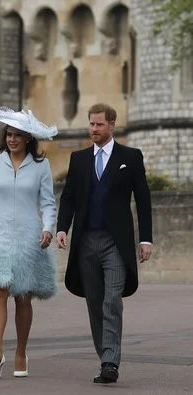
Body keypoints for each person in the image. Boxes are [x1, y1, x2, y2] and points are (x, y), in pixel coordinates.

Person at [56, 103, 153, 384]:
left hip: (115, 243)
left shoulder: (130, 157)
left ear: (112, 124)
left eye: (99, 124)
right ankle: (105, 358)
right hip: (85, 241)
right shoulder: (79, 158)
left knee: (112, 301)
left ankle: (110, 362)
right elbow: (69, 198)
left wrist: (145, 239)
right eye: (91, 124)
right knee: (95, 303)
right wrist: (63, 228)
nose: (94, 129)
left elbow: (143, 200)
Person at [0, 107, 58, 378]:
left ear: (29, 138)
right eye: (9, 134)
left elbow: (48, 203)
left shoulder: (41, 165)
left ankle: (21, 351)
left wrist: (47, 228)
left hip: (29, 236)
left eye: (18, 135)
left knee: (22, 297)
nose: (12, 139)